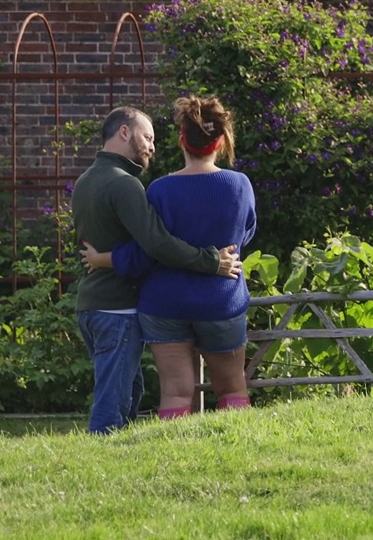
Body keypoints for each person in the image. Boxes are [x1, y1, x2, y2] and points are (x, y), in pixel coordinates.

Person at [83, 95, 256, 419]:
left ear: (181, 140)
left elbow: (148, 250)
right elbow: (245, 233)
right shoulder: (240, 185)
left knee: (175, 391)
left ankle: (175, 455)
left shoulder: (159, 190)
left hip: (164, 305)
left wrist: (105, 258)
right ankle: (238, 452)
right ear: (220, 141)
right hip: (221, 299)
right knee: (232, 387)